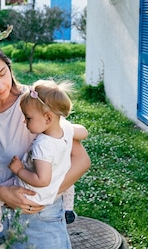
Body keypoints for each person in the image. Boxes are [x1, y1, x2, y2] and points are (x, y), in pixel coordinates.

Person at [0, 41, 91, 248]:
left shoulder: (36, 103)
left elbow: (81, 160)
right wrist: (0, 193)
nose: (0, 86)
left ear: (9, 67)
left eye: (3, 74)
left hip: (39, 215)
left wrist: (39, 197)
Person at [7, 80, 89, 223]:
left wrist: (19, 170)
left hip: (33, 194)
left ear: (48, 118)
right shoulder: (64, 129)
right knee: (69, 184)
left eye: (28, 117)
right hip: (57, 183)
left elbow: (42, 180)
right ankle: (68, 208)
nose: (24, 122)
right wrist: (68, 128)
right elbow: (84, 132)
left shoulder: (43, 145)